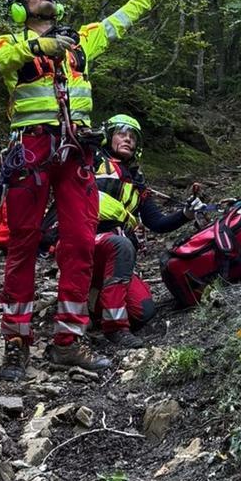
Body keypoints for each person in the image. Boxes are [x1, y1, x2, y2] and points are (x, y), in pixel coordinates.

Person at [0, 0, 170, 380]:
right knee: (22, 244)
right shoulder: (11, 43)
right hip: (30, 150)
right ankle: (15, 342)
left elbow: (116, 24)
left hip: (77, 150)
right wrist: (35, 47)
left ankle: (67, 341)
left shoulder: (79, 42)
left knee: (80, 242)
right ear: (20, 8)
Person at [91, 114, 201, 348]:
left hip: (115, 255)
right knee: (121, 245)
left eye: (133, 137)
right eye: (122, 134)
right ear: (109, 136)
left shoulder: (137, 183)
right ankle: (115, 329)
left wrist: (187, 214)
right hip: (84, 241)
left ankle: (91, 301)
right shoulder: (91, 160)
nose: (128, 139)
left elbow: (157, 223)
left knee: (144, 311)